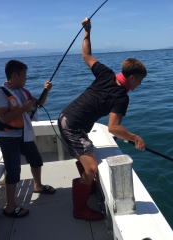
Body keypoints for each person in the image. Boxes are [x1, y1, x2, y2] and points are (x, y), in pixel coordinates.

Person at [58, 18, 147, 221]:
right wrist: (135, 138)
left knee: (88, 159)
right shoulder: (121, 97)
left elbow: (86, 55)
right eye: (140, 81)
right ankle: (80, 209)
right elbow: (114, 128)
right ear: (132, 78)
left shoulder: (105, 73)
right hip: (72, 125)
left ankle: (86, 186)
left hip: (69, 119)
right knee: (92, 169)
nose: (139, 85)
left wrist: (87, 32)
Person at [0, 60, 56, 218]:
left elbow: (38, 104)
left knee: (36, 160)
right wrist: (23, 109)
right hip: (9, 138)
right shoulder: (1, 93)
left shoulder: (23, 92)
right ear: (14, 75)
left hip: (24, 134)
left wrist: (46, 90)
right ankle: (10, 207)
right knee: (13, 170)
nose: (26, 79)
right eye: (24, 76)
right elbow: (3, 119)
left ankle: (38, 186)